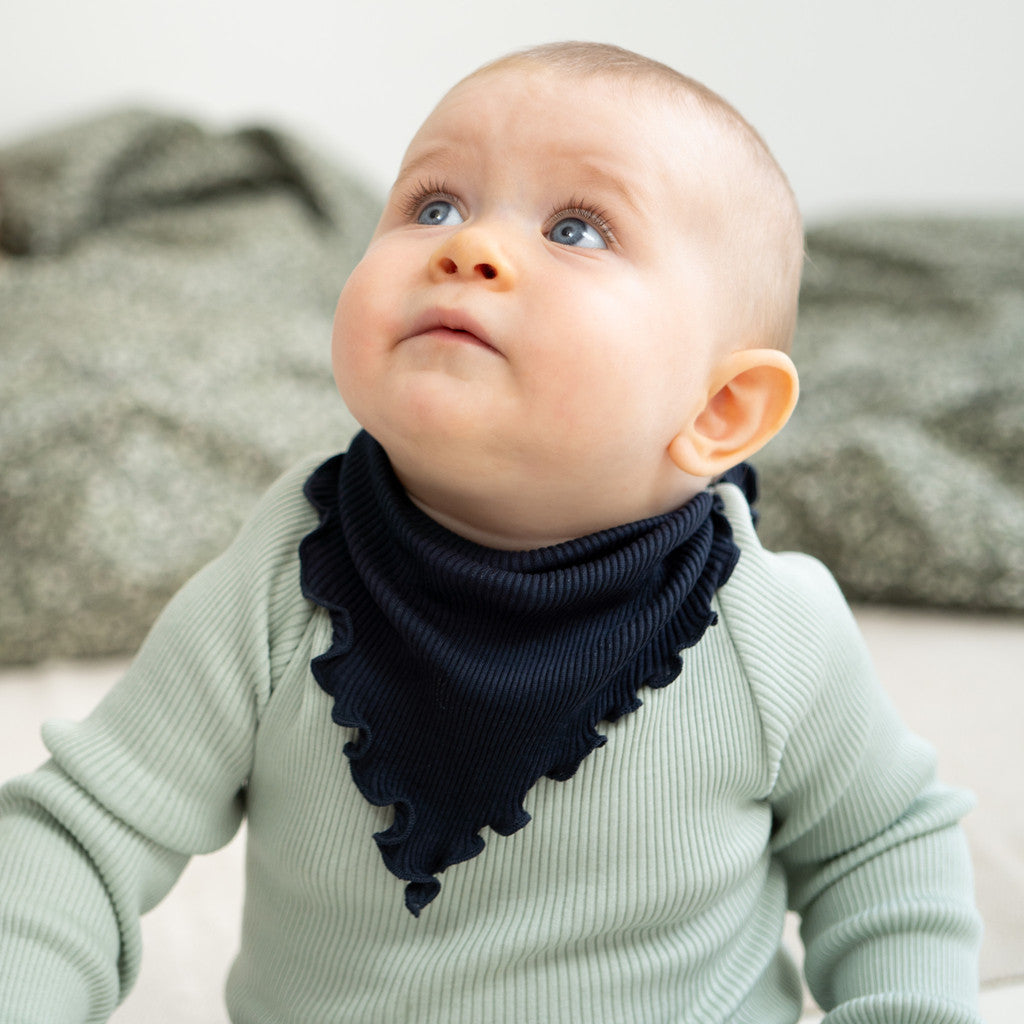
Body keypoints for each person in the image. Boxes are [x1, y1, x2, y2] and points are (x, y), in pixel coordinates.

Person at [0, 41, 982, 1024]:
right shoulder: (281, 579)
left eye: (577, 228)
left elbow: (883, 848)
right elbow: (86, 834)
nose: (467, 247)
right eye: (434, 204)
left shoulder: (770, 629)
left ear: (720, 408)